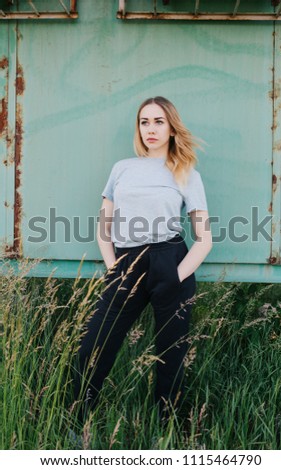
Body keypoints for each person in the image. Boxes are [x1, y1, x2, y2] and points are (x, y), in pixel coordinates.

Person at [73, 96, 212, 423]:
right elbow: (103, 229)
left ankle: (168, 427)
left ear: (171, 127)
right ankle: (76, 419)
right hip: (126, 263)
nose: (150, 129)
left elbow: (204, 239)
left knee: (171, 354)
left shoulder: (186, 171)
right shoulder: (122, 169)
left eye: (159, 121)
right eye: (144, 122)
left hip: (170, 259)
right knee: (94, 347)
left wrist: (176, 277)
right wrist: (113, 269)